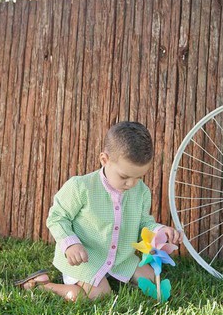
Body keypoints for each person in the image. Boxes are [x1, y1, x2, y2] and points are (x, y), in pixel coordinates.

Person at [14, 121, 182, 301]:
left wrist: (159, 230)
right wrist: (70, 244)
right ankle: (42, 285)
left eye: (139, 177)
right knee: (100, 296)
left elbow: (144, 223)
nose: (131, 184)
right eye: (124, 177)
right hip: (85, 260)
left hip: (120, 259)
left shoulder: (141, 192)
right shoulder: (81, 187)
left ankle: (111, 275)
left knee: (152, 280)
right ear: (104, 159)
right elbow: (57, 217)